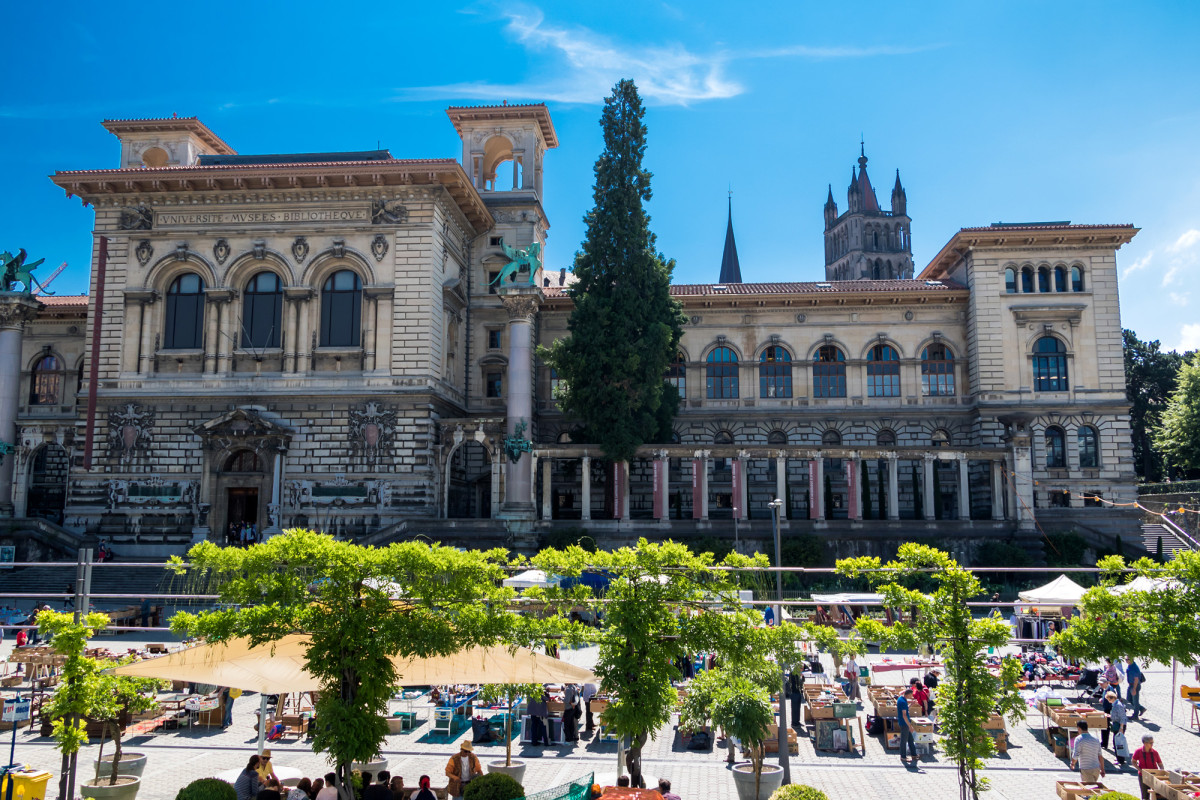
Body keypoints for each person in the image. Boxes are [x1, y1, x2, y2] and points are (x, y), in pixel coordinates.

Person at [1132, 734, 1163, 800]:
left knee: (1157, 794)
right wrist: (1140, 770)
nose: (1152, 744)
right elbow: (1133, 762)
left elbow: (1160, 764)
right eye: (1150, 743)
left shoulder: (1155, 752)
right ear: (1145, 743)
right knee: (1145, 795)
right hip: (1143, 775)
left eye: (1152, 742)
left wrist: (1162, 771)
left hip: (1154, 775)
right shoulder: (1138, 751)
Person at [896, 687, 918, 766]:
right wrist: (910, 726)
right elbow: (904, 715)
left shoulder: (902, 698)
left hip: (905, 723)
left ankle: (914, 754)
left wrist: (911, 704)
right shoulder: (902, 702)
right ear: (908, 695)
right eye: (911, 695)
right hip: (904, 723)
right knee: (904, 740)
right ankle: (903, 756)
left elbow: (905, 709)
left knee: (910, 739)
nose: (911, 697)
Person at [1107, 691, 1129, 765]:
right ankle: (1119, 758)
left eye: (1108, 699)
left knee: (1118, 743)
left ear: (1112, 698)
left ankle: (1120, 760)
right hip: (1117, 724)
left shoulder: (1118, 705)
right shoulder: (1115, 704)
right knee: (1116, 742)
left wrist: (1121, 728)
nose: (1108, 701)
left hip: (1120, 725)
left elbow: (1123, 717)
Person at [1126, 656, 1145, 720]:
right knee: (1129, 699)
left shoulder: (1134, 667)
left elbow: (1136, 679)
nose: (1126, 661)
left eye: (1127, 659)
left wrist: (1134, 688)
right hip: (1131, 685)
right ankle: (1141, 708)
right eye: (1125, 659)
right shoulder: (1130, 665)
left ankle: (1135, 715)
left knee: (1135, 701)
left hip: (1135, 685)